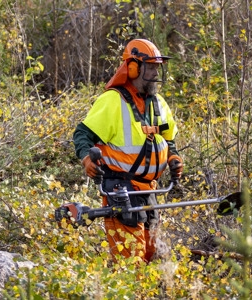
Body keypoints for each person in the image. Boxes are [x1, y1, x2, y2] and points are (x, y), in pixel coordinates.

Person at [71, 39, 184, 262]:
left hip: (149, 189)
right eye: (150, 66)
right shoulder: (113, 100)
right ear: (133, 68)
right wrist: (86, 159)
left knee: (152, 256)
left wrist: (173, 157)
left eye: (156, 67)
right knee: (130, 260)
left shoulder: (159, 102)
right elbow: (82, 134)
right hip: (121, 188)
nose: (155, 72)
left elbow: (168, 139)